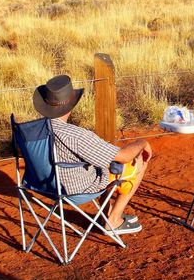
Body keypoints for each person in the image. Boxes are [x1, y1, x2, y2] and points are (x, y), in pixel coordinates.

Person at [33, 74, 151, 235]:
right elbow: (124, 156)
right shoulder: (75, 135)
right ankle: (113, 220)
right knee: (136, 162)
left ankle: (106, 215)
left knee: (101, 162)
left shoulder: (32, 132)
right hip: (76, 189)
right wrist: (143, 143)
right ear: (71, 104)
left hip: (43, 186)